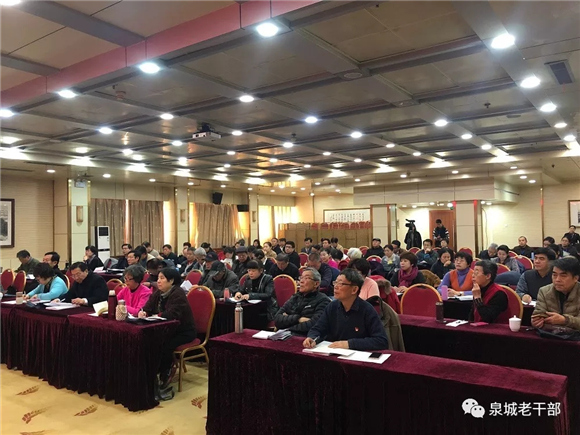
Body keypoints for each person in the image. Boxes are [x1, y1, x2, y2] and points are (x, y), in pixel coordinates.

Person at [140, 267, 196, 392]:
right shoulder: (158, 293)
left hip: (183, 331)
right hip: (165, 330)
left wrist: (156, 316)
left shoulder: (178, 293)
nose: (158, 281)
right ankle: (150, 373)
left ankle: (166, 372)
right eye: (158, 278)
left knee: (164, 344)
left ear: (171, 281)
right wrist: (143, 313)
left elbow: (172, 314)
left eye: (162, 278)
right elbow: (147, 307)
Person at [303, 268, 389, 351]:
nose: (336, 287)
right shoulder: (332, 306)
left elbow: (381, 341)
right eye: (335, 282)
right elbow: (317, 329)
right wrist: (312, 338)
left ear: (354, 289)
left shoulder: (367, 310)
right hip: (332, 352)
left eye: (341, 284)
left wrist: (349, 344)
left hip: (357, 356)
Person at [274, 268, 331, 336]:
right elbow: (277, 319)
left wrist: (288, 324)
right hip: (286, 334)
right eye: (301, 278)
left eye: (306, 278)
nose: (301, 281)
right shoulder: (295, 297)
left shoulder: (323, 300)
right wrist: (298, 319)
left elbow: (314, 325)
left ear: (316, 284)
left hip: (305, 338)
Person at [532, 258, 580, 330]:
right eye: (554, 275)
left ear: (575, 278)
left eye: (563, 276)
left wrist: (565, 320)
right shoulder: (544, 291)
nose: (557, 280)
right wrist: (536, 321)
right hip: (551, 334)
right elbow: (538, 314)